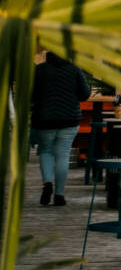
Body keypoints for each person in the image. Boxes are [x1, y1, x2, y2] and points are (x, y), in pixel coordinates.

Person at [32, 50, 91, 207]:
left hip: (44, 119)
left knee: (46, 151)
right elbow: (85, 94)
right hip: (69, 119)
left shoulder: (39, 70)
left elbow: (31, 94)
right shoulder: (74, 69)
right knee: (62, 155)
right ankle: (59, 194)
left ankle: (47, 184)